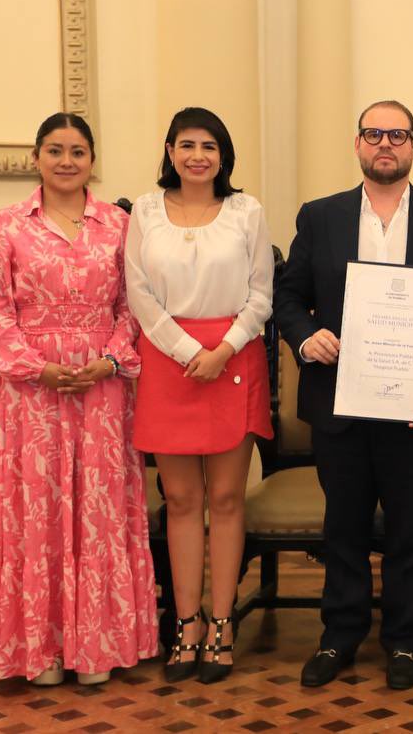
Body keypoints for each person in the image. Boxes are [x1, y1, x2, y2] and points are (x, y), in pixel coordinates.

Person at [275, 100, 413, 690]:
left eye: (397, 134)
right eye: (374, 134)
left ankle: (405, 642)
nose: (385, 143)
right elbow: (288, 297)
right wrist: (304, 335)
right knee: (342, 527)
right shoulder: (322, 217)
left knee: (409, 530)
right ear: (358, 144)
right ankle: (339, 636)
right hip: (339, 403)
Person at [0, 113, 157, 686]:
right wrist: (38, 368)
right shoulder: (5, 227)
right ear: (36, 157)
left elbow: (135, 305)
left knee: (99, 512)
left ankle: (99, 644)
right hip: (32, 393)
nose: (67, 161)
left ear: (92, 161)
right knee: (40, 512)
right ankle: (44, 649)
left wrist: (109, 359)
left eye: (78, 151)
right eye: (55, 150)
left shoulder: (120, 226)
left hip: (103, 387)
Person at [125, 106, 274, 684]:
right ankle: (185, 623)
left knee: (229, 499)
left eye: (208, 147)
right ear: (169, 151)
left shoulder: (246, 211)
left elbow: (261, 294)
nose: (197, 156)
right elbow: (138, 293)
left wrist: (223, 349)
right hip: (169, 360)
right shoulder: (143, 210)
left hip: (233, 358)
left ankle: (221, 621)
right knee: (183, 501)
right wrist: (186, 351)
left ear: (223, 156)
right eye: (186, 145)